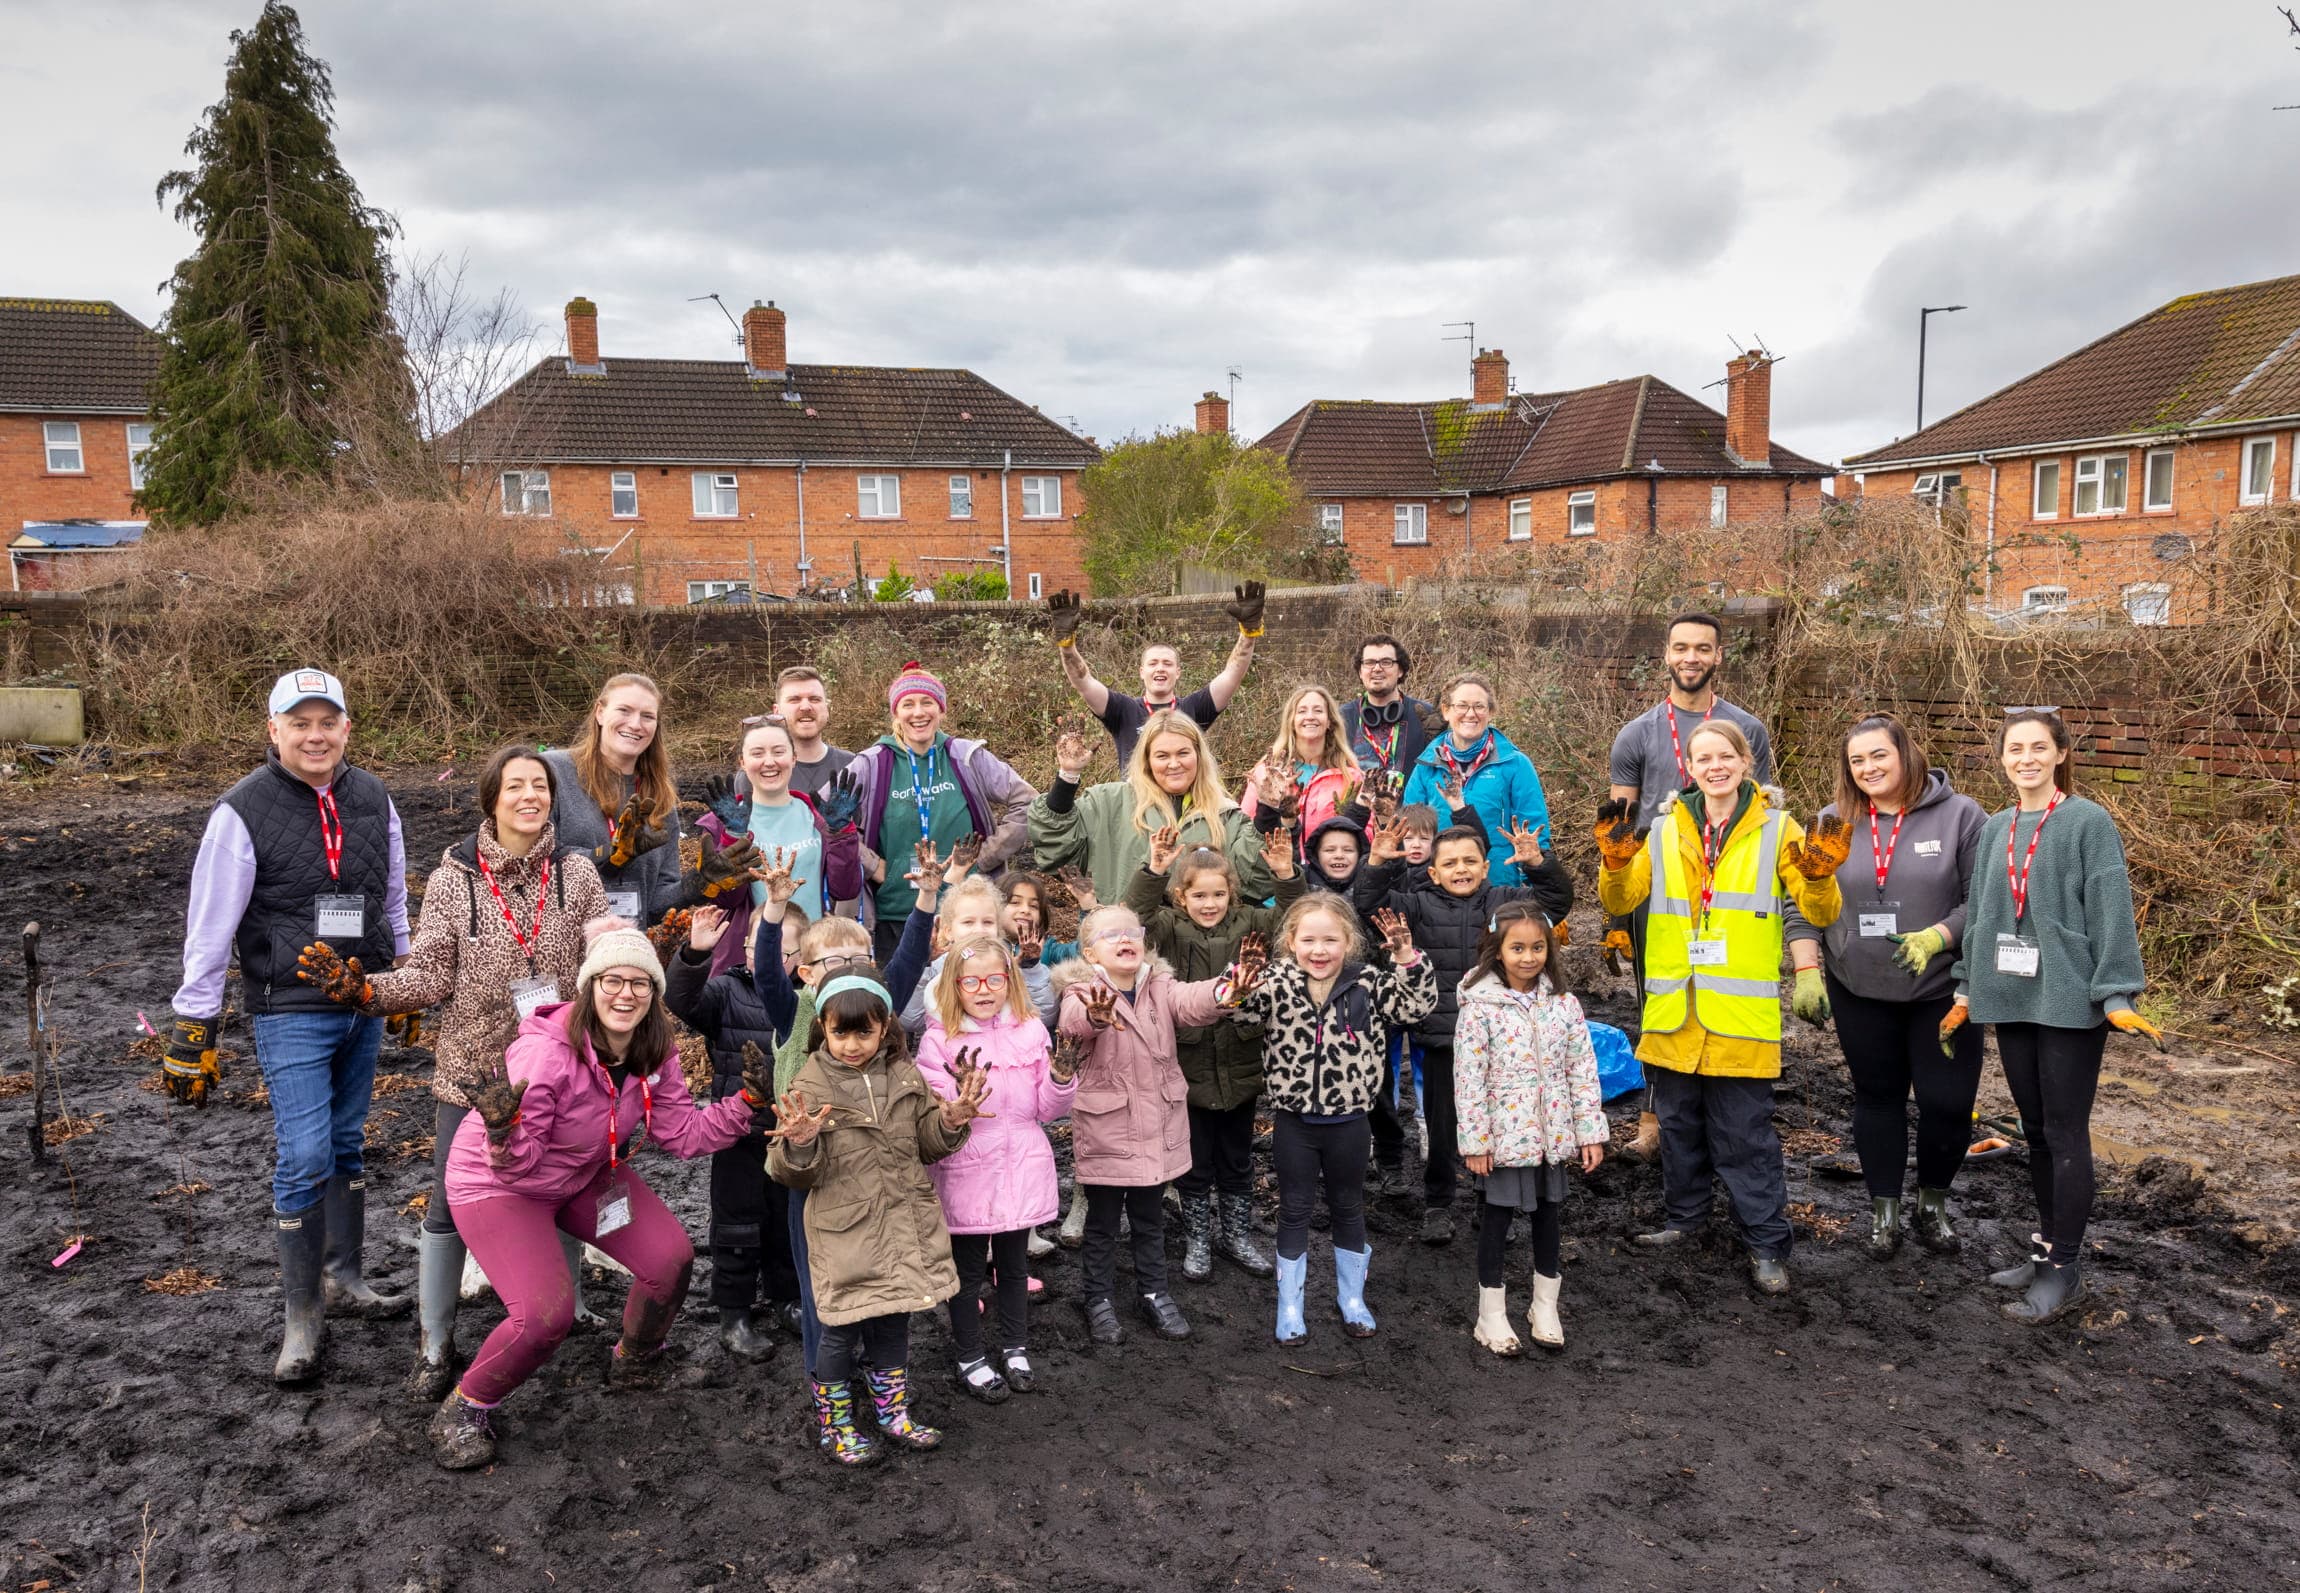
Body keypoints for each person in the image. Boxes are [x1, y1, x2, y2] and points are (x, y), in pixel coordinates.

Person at [296, 744, 611, 1399]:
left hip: (557, 1067)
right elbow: (433, 971)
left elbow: (601, 960)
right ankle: (435, 1346)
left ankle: (572, 1308)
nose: (530, 796)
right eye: (515, 786)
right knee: (446, 1206)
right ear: (491, 798)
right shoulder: (454, 880)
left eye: (540, 786)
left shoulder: (577, 875)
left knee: (565, 1184)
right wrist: (367, 992)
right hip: (472, 1069)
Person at [426, 923, 766, 1470]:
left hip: (581, 1172)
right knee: (543, 1318)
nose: (625, 994)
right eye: (611, 980)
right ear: (589, 985)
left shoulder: (654, 1052)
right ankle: (467, 1406)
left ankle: (635, 1361)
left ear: (654, 995)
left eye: (639, 983)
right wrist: (502, 1130)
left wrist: (748, 1102)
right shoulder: (545, 1056)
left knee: (669, 1259)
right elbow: (518, 1162)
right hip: (500, 1183)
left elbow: (682, 1135)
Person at [163, 668, 414, 1384]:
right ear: (273, 729)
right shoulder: (240, 810)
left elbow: (392, 892)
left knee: (346, 1142)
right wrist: (194, 1019)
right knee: (305, 1152)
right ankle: (302, 1314)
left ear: (346, 727)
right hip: (290, 1007)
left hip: (362, 997)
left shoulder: (374, 796)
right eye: (298, 722)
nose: (314, 734)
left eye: (326, 721)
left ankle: (345, 1278)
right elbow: (209, 925)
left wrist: (404, 977)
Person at [1594, 720, 1848, 1296]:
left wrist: (1821, 877)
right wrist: (1612, 862)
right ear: (1690, 767)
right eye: (1703, 757)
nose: (1714, 766)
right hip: (1674, 1012)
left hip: (1739, 1019)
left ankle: (1765, 1245)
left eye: (1725, 756)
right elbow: (1622, 898)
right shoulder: (1660, 831)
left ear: (1744, 761)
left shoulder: (1780, 828)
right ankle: (1686, 1223)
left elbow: (1819, 909)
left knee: (1745, 1138)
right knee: (1680, 1129)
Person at [1943, 709, 2159, 1326]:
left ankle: (2065, 1268)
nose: (2027, 758)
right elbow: (1982, 914)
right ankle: (2044, 1252)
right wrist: (1965, 988)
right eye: (2016, 749)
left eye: (2039, 748)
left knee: (2065, 1132)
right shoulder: (1994, 827)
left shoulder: (2088, 822)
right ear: (2003, 757)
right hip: (2009, 996)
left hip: (2067, 999)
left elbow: (2112, 910)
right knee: (2033, 1130)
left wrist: (2116, 995)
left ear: (2061, 753)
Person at [1784, 713, 1987, 1260]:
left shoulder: (1961, 816)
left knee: (1947, 1103)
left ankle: (1933, 1204)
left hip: (1941, 989)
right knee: (1878, 1100)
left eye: (1879, 755)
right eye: (1857, 760)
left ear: (1905, 754)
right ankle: (1885, 1212)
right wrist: (1806, 970)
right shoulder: (1832, 820)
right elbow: (1802, 904)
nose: (1869, 768)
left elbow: (1983, 901)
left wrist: (1939, 937)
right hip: (1859, 987)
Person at [770, 971, 991, 1467]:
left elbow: (926, 1145)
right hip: (845, 1232)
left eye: (864, 1032)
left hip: (904, 1223)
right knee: (842, 1328)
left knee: (895, 1321)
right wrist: (800, 1142)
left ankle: (893, 1413)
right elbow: (791, 1172)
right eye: (840, 1032)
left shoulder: (906, 1075)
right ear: (823, 1029)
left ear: (885, 1027)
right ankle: (836, 1424)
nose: (852, 1044)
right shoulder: (809, 1084)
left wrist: (951, 1121)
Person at [1606, 612, 1776, 1162]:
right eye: (1681, 647)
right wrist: (1614, 919)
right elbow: (1619, 828)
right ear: (1666, 654)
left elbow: (1763, 810)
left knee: (1724, 1004)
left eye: (1703, 648)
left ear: (1719, 655)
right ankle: (1656, 1120)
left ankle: (1719, 1114)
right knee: (1659, 1008)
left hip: (1729, 894)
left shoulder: (1748, 729)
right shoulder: (1637, 733)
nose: (1691, 657)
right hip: (1662, 897)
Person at [1356, 813, 1573, 1243]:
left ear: (1486, 865)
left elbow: (1556, 902)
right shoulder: (1417, 905)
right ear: (1433, 872)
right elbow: (1369, 904)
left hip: (1498, 1041)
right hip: (1443, 1038)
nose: (1461, 870)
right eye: (1451, 863)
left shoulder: (1507, 904)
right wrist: (1378, 862)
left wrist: (1537, 862)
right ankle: (1437, 1204)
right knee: (1442, 1128)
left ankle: (1488, 1200)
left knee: (1496, 1123)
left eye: (1469, 861)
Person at [1230, 894, 1434, 1344]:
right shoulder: (1276, 979)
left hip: (1349, 1122)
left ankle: (1352, 1299)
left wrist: (1407, 957)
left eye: (1330, 940)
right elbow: (1239, 1015)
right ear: (1290, 941)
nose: (1319, 950)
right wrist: (1242, 982)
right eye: (1308, 940)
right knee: (1295, 1209)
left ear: (1350, 942)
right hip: (1294, 1122)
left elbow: (1415, 1008)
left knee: (1349, 1205)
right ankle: (1290, 1307)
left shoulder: (1369, 981)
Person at [1052, 904, 1249, 1347]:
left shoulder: (1160, 985)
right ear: (1090, 952)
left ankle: (1154, 1291)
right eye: (1111, 934)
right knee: (1102, 1223)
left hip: (1155, 1126)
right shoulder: (1081, 990)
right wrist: (1096, 1018)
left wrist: (1224, 991)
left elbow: (1191, 1000)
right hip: (1108, 1131)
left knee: (1150, 1218)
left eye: (1132, 931)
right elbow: (1071, 1022)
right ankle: (1097, 1298)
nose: (1125, 939)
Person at [1124, 819, 1304, 1282]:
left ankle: (1237, 1235)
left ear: (1232, 893)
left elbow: (1294, 918)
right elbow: (1133, 917)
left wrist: (1286, 875)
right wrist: (1154, 869)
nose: (1210, 904)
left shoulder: (1252, 922)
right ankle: (1198, 1239)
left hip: (1241, 1063)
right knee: (1195, 1162)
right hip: (1186, 1065)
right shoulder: (1167, 926)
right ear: (1181, 896)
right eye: (1199, 895)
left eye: (1218, 894)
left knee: (1238, 1158)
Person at [916, 936, 1080, 1403]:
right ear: (955, 986)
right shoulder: (938, 1041)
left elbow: (1047, 1110)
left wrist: (1062, 1078)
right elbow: (934, 1113)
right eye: (972, 981)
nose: (984, 989)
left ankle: (1014, 1347)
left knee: (1013, 1267)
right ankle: (970, 1355)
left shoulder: (1031, 1032)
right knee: (967, 1274)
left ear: (1009, 982)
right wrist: (958, 1100)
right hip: (965, 1170)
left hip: (1021, 1169)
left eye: (994, 979)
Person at [663, 852, 808, 1363]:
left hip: (792, 1136)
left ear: (798, 958)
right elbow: (680, 1002)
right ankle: (734, 1313)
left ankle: (788, 1298)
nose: (761, 954)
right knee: (736, 1225)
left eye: (778, 948)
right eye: (752, 944)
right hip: (737, 1134)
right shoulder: (726, 991)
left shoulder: (806, 1004)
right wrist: (696, 954)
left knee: (787, 1222)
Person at [1454, 902, 1608, 1356]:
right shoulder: (1479, 1007)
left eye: (1537, 947)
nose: (1528, 957)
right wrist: (1477, 1141)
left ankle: (1544, 1307)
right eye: (1517, 947)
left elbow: (1582, 1069)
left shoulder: (1564, 1004)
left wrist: (1590, 1131)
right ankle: (1491, 1314)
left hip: (1552, 1137)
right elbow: (1468, 1080)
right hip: (1504, 1140)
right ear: (1497, 951)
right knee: (1496, 1221)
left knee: (1548, 1218)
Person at [851, 661, 1037, 959]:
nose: (918, 712)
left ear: (941, 709)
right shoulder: (872, 763)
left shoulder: (966, 757)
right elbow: (826, 819)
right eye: (908, 704)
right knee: (902, 1002)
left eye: (928, 702)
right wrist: (875, 866)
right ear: (895, 712)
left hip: (965, 917)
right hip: (897, 914)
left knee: (972, 997)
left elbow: (1028, 802)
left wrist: (986, 855)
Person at [1030, 708, 1276, 909]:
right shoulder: (1109, 802)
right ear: (1146, 760)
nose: (1173, 764)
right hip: (1124, 945)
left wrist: (1269, 810)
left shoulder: (1226, 814)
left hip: (1202, 953)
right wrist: (1068, 776)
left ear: (1199, 756)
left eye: (1183, 753)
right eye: (1161, 755)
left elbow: (1253, 882)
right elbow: (1056, 849)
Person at [693, 713, 864, 976]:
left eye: (778, 751)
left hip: (811, 957)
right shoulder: (722, 822)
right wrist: (732, 837)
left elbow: (845, 888)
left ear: (794, 758)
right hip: (748, 958)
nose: (769, 762)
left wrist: (841, 833)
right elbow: (728, 899)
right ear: (743, 761)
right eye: (757, 753)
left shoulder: (818, 817)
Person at [1047, 581, 1266, 770]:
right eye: (1153, 663)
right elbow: (1083, 682)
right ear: (1142, 672)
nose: (1160, 668)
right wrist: (1067, 646)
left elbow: (1232, 675)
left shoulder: (1193, 708)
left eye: (1167, 664)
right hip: (1135, 809)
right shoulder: (1122, 710)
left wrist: (1248, 635)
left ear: (1178, 672)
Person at [542, 673, 691, 925]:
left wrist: (697, 884)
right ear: (600, 712)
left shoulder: (659, 797)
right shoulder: (552, 772)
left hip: (627, 956)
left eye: (647, 716)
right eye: (624, 710)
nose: (635, 724)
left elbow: (655, 905)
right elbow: (533, 857)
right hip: (560, 950)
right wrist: (605, 855)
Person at [1401, 671, 1553, 886]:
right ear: (1446, 711)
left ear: (1490, 712)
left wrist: (1534, 886)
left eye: (1479, 706)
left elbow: (1536, 831)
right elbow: (1411, 830)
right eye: (1461, 706)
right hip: (1440, 889)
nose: (1470, 714)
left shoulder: (1515, 764)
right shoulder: (1426, 766)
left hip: (1500, 886)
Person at [1242, 685, 1365, 865]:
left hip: (1329, 876)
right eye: (1302, 711)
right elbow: (1246, 826)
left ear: (1330, 721)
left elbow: (1365, 835)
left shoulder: (1351, 776)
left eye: (1318, 710)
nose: (1310, 716)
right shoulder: (1267, 772)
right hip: (1275, 873)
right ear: (1291, 720)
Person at [1339, 633, 1436, 779]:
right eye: (1369, 662)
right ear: (1360, 671)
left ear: (1400, 670)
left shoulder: (1426, 716)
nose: (1377, 668)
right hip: (1355, 801)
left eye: (1386, 662)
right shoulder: (1342, 717)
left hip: (1412, 802)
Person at [772, 666, 856, 806]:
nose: (805, 707)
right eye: (794, 699)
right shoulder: (759, 772)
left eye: (815, 699)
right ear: (776, 711)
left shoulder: (853, 766)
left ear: (827, 709)